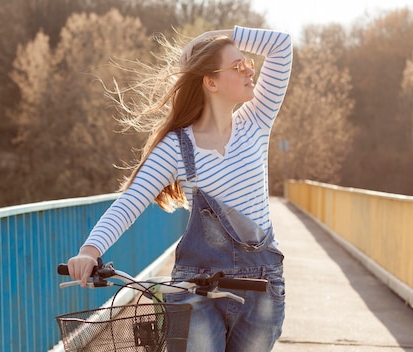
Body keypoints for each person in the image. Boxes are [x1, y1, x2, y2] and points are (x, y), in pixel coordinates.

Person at [67, 25, 293, 351]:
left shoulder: (256, 121)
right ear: (210, 81)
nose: (249, 69)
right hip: (195, 289)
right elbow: (131, 201)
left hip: (262, 285)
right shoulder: (177, 147)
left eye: (247, 63)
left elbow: (281, 45)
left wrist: (215, 37)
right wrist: (90, 250)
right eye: (237, 66)